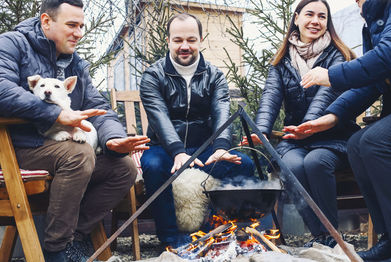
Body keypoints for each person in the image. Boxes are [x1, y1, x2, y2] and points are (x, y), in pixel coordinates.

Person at [0, 0, 150, 261]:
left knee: (123, 169)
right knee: (78, 154)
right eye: (72, 25)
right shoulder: (12, 44)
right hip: (18, 150)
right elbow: (1, 88)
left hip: (62, 149)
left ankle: (75, 238)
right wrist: (56, 113)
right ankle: (58, 249)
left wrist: (113, 138)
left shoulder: (75, 64)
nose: (79, 33)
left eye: (82, 26)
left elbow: (98, 106)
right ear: (47, 21)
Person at [242, 0, 359, 248]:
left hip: (333, 136)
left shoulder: (338, 56)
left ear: (328, 23)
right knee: (292, 165)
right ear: (296, 18)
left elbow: (325, 96)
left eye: (322, 16)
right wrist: (261, 132)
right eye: (309, 14)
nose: (315, 21)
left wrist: (308, 126)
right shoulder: (282, 61)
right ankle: (322, 238)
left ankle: (333, 236)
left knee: (316, 162)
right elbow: (270, 97)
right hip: (296, 139)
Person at [293, 0, 391, 260]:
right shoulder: (376, 20)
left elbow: (390, 54)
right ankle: (390, 238)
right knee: (357, 143)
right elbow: (374, 80)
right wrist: (330, 117)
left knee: (375, 141)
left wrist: (331, 75)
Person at [139, 13, 254, 248]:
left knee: (244, 165)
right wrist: (178, 151)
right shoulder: (153, 75)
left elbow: (222, 112)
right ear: (168, 41)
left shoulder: (214, 75)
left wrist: (221, 147)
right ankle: (170, 238)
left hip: (204, 148)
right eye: (178, 39)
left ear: (200, 40)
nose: (184, 46)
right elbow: (159, 117)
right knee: (152, 166)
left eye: (191, 40)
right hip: (164, 148)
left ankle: (215, 230)